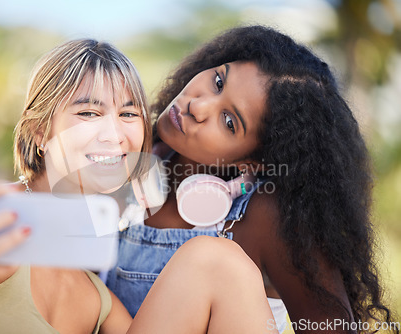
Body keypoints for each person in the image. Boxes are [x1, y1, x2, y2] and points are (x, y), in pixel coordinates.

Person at [0, 38, 279, 334]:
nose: (114, 134)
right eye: (88, 113)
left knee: (221, 264)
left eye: (128, 114)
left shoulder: (95, 296)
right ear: (39, 132)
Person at [106, 25, 399, 334]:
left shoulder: (264, 217)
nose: (198, 105)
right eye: (218, 81)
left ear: (252, 161)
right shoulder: (122, 160)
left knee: (213, 259)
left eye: (229, 121)